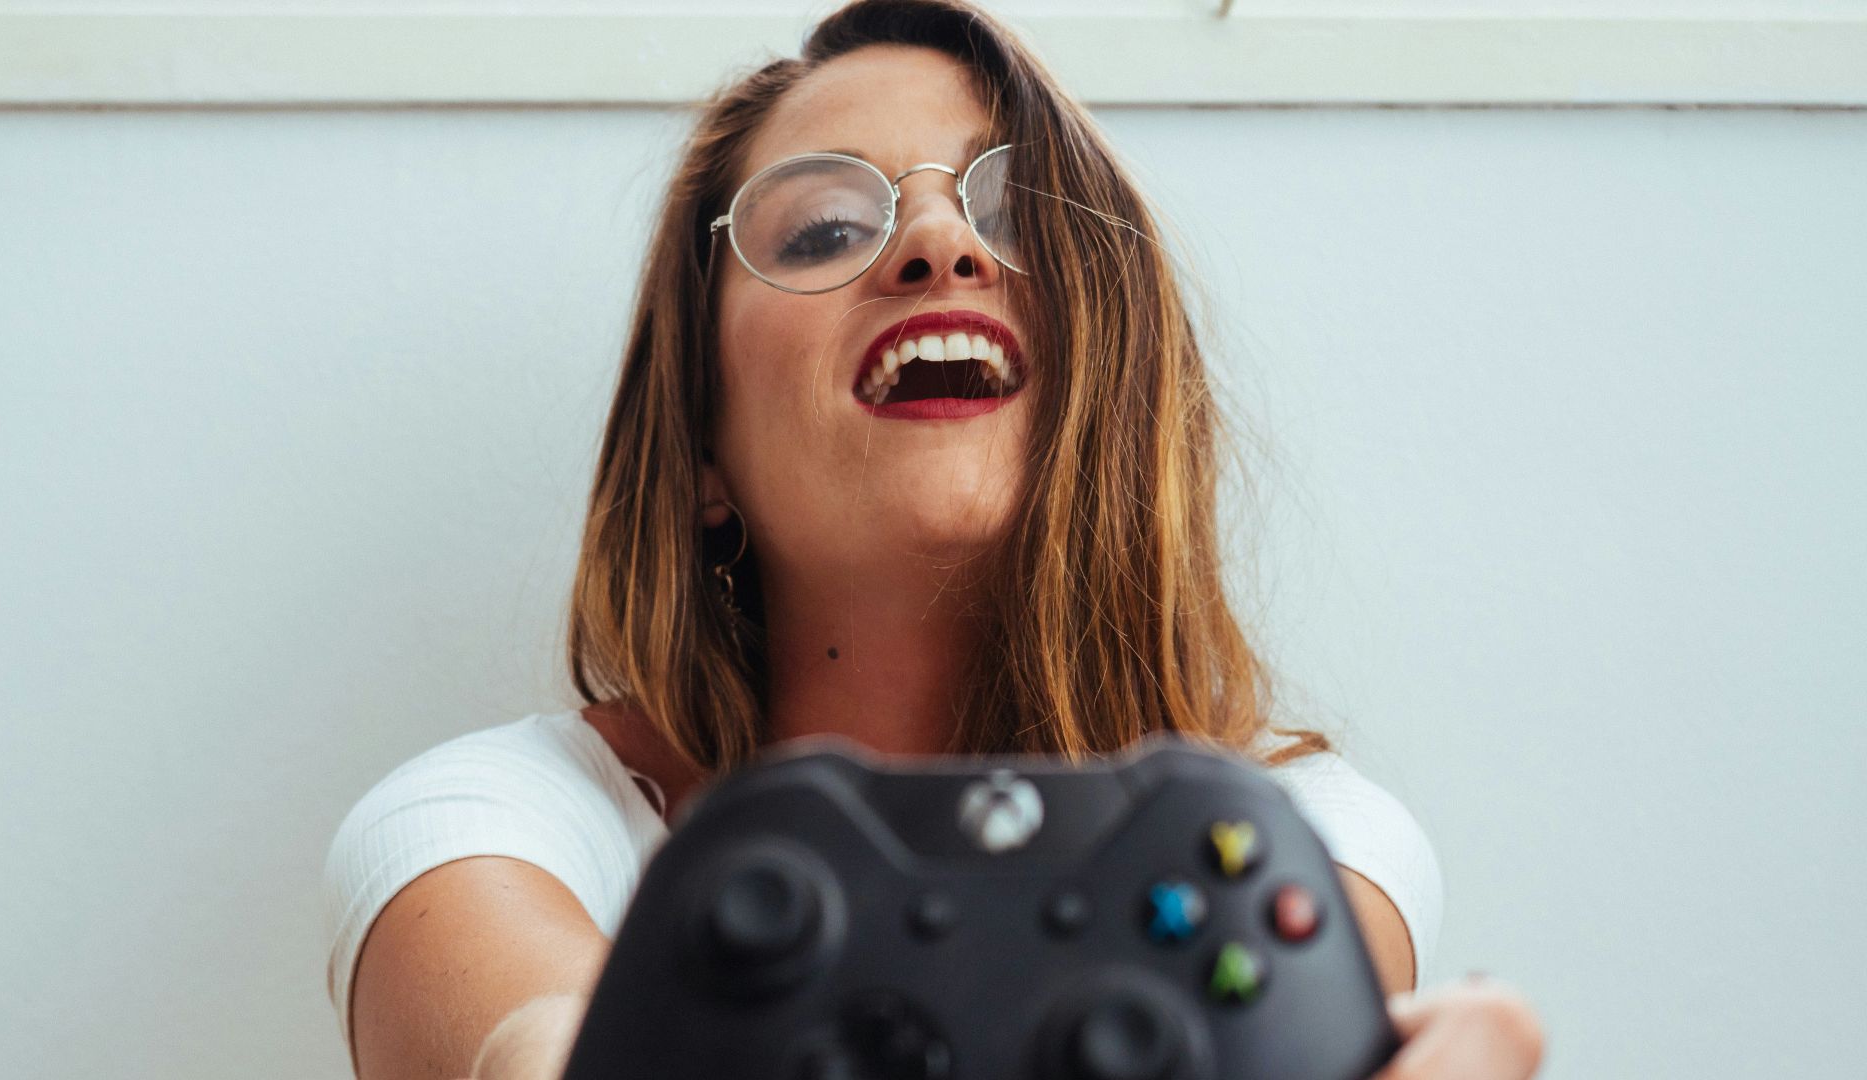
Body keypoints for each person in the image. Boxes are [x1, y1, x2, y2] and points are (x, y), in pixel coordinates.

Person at [323, 2, 1546, 1078]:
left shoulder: (1294, 837)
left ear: (1108, 379)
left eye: (1012, 209)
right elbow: (531, 1043)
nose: (938, 245)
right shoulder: (497, 821)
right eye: (821, 231)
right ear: (699, 448)